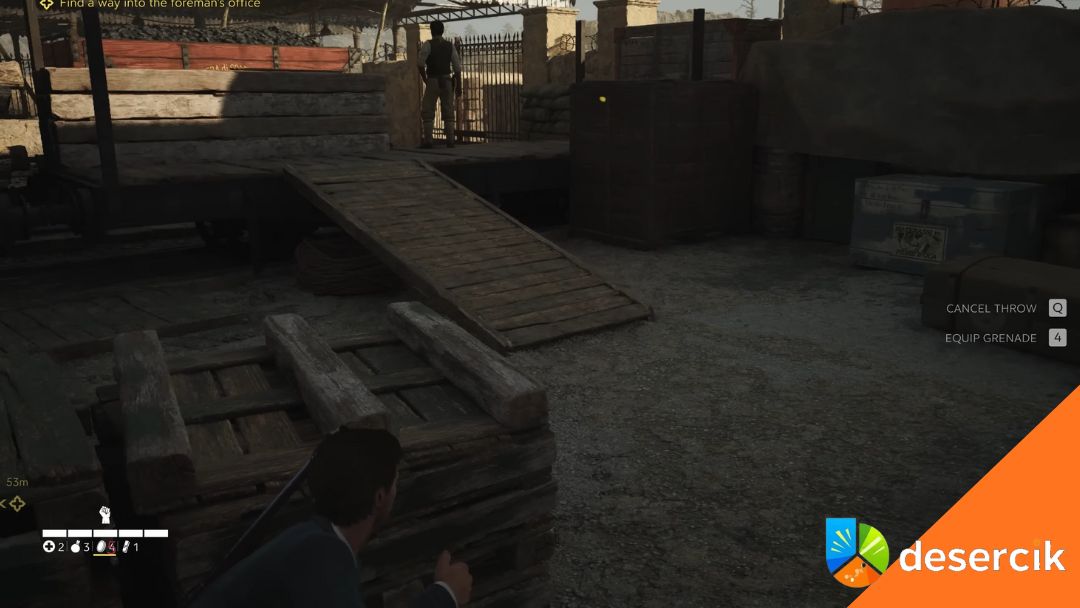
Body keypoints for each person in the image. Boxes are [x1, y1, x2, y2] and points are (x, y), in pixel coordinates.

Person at [191, 428, 472, 608]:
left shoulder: (310, 539)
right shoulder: (322, 555)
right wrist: (445, 595)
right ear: (379, 497)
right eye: (395, 483)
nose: (396, 491)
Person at [418, 21, 463, 149]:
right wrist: (459, 87)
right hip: (447, 81)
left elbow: (420, 64)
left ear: (432, 31)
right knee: (448, 111)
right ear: (442, 31)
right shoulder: (450, 46)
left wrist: (425, 79)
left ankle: (428, 141)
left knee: (428, 111)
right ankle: (450, 141)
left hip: (433, 80)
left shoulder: (428, 45)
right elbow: (457, 68)